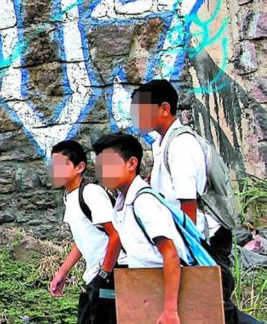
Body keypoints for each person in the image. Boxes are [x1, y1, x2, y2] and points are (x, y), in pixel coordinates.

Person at [130, 79, 230, 265]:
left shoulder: (180, 145)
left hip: (202, 240)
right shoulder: (161, 144)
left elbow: (188, 203)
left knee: (208, 294)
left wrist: (189, 250)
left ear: (165, 109)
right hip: (187, 239)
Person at [93, 132, 187, 324]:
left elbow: (170, 254)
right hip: (148, 291)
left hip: (169, 292)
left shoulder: (144, 202)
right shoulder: (123, 201)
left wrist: (170, 310)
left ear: (131, 163)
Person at [48, 140, 124, 324]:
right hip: (98, 276)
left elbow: (116, 235)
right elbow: (82, 240)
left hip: (115, 273)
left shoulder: (91, 193)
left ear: (79, 167)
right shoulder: (70, 196)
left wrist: (104, 274)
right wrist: (62, 272)